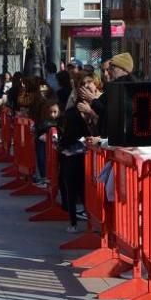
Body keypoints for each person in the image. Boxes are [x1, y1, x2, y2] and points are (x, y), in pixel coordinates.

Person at [60, 74, 102, 232]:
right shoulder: (72, 111)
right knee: (73, 186)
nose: (86, 87)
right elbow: (68, 133)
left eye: (89, 83)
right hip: (75, 154)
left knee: (91, 189)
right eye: (82, 85)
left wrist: (91, 112)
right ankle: (73, 221)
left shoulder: (99, 105)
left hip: (95, 155)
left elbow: (104, 126)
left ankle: (94, 221)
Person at [88, 52, 135, 139]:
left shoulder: (119, 88)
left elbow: (110, 112)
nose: (109, 71)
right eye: (109, 68)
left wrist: (93, 100)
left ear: (124, 69)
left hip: (117, 139)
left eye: (112, 68)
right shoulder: (117, 86)